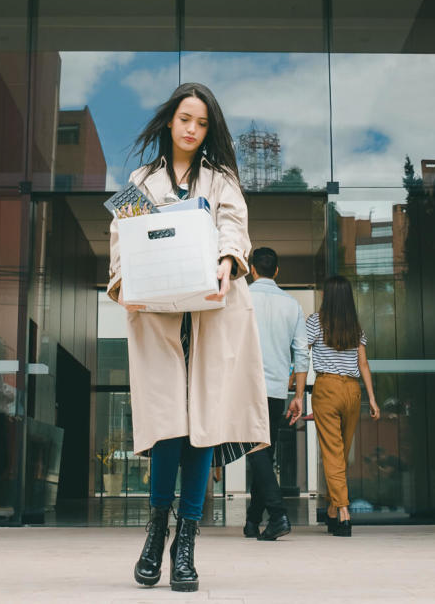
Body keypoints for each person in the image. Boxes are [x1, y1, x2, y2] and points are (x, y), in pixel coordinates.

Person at [108, 82, 269, 592]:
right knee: (166, 431)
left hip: (211, 315)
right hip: (159, 315)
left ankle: (187, 543)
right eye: (184, 119)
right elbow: (123, 241)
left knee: (204, 430)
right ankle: (157, 532)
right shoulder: (140, 179)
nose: (192, 130)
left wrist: (227, 261)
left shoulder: (220, 179)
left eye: (201, 123)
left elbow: (233, 225)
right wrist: (124, 283)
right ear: (169, 121)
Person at [290, 275, 380, 537]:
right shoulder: (355, 326)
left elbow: (302, 356)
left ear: (327, 296)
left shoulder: (315, 322)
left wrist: (296, 389)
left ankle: (343, 512)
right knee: (341, 453)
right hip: (352, 390)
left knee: (332, 453)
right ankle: (332, 511)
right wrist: (371, 398)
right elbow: (363, 364)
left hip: (327, 389)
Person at [243, 247, 308, 541]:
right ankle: (253, 520)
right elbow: (301, 354)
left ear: (251, 269)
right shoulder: (292, 305)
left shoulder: (241, 300)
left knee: (256, 450)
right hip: (276, 390)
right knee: (262, 451)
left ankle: (278, 514)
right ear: (277, 271)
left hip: (245, 386)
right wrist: (298, 394)